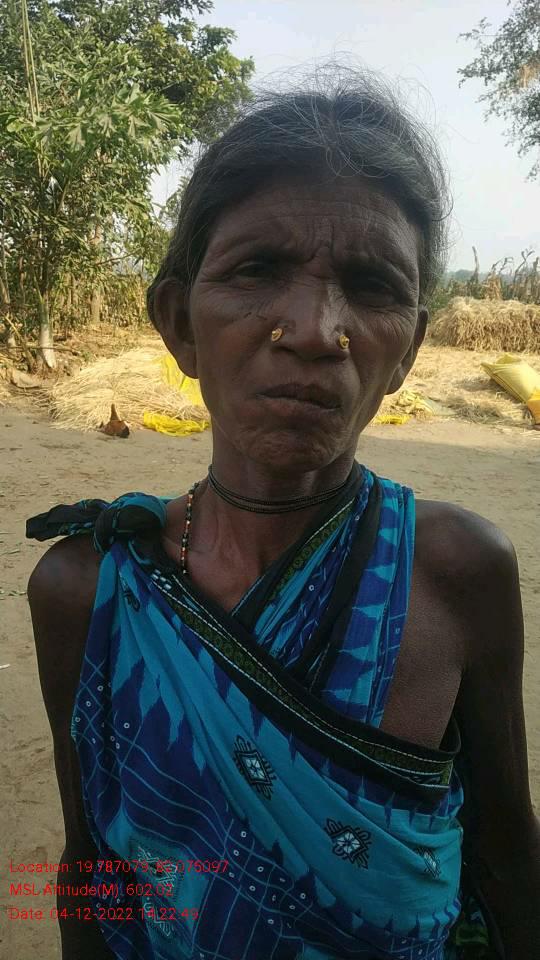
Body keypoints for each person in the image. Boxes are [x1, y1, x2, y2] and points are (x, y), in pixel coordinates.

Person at [27, 71, 540, 960]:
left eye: (372, 285)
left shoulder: (459, 573)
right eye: (257, 269)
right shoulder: (87, 590)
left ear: (409, 350)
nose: (313, 328)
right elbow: (94, 864)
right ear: (178, 321)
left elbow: (505, 857)